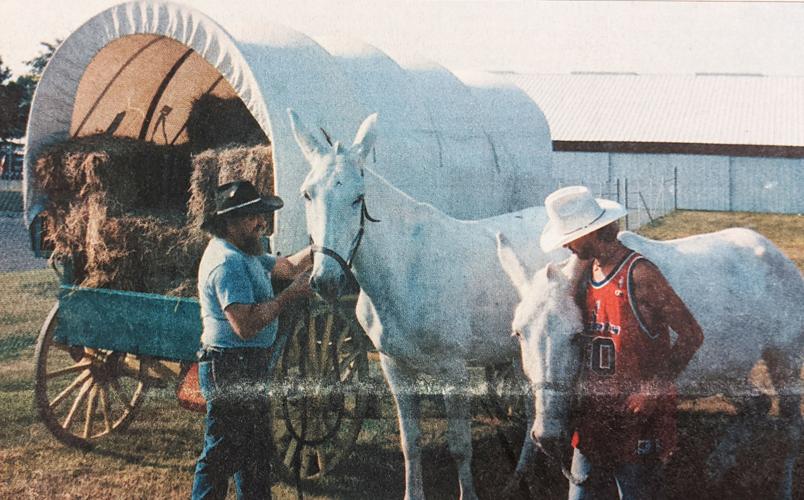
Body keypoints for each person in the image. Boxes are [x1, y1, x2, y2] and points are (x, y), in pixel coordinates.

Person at [540, 186, 704, 500]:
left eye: (570, 237)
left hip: (635, 417)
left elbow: (692, 334)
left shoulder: (640, 274)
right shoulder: (585, 274)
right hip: (593, 417)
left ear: (590, 232)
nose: (565, 245)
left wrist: (653, 388)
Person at [192, 180, 313, 500]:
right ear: (229, 223)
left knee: (256, 455)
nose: (261, 223)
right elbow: (244, 326)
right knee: (220, 453)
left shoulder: (246, 253)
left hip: (245, 363)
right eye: (252, 217)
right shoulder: (227, 262)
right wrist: (289, 296)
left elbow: (287, 267)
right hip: (229, 365)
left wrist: (320, 249)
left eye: (261, 215)